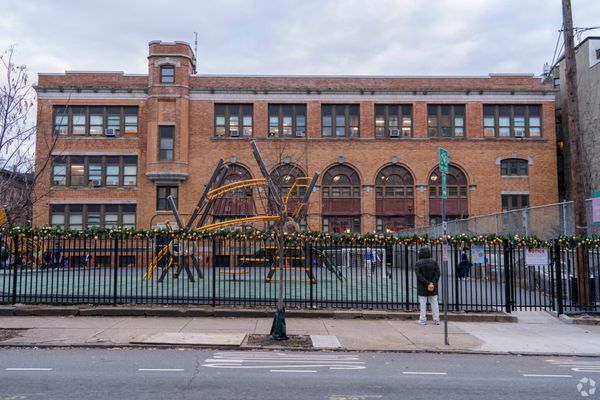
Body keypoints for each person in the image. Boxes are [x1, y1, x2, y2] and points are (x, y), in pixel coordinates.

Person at [415, 247, 440, 325]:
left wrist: (427, 283)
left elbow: (419, 276)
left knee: (423, 303)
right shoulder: (434, 262)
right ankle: (436, 319)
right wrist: (432, 283)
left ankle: (422, 319)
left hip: (422, 286)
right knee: (434, 302)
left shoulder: (418, 263)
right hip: (433, 286)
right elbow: (437, 274)